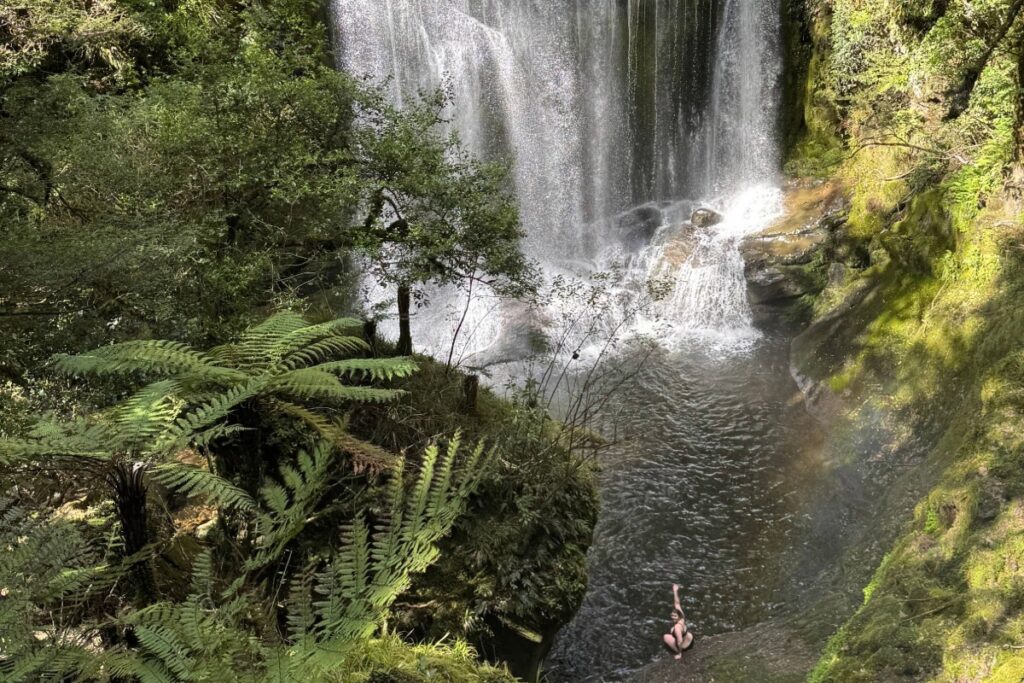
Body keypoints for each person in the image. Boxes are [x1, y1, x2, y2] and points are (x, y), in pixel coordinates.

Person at [662, 583, 694, 660]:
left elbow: (679, 641)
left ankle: (679, 652)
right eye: (672, 616)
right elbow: (677, 603)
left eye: (675, 616)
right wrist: (675, 591)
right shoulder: (682, 617)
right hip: (690, 641)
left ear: (678, 616)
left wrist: (680, 654)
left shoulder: (677, 627)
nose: (673, 618)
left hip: (684, 647)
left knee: (665, 637)